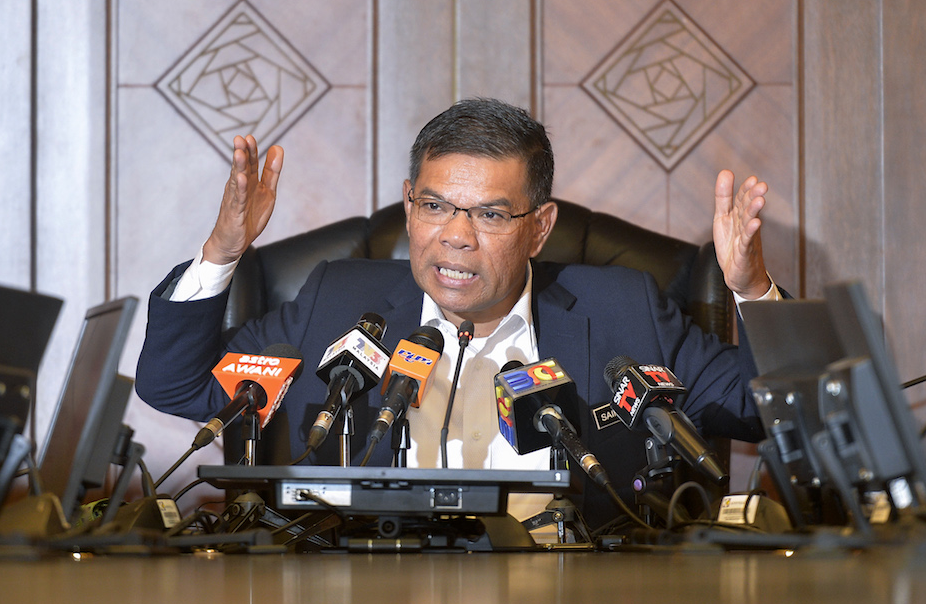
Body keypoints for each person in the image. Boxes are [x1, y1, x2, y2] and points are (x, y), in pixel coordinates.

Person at [136, 98, 778, 530]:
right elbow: (179, 386)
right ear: (409, 204)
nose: (455, 236)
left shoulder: (623, 311)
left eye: (491, 215)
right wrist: (222, 252)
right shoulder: (336, 304)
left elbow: (764, 409)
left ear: (539, 227)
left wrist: (751, 289)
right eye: (435, 206)